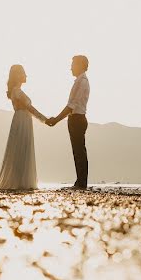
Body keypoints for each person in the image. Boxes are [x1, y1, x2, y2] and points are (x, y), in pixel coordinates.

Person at [0, 64, 49, 190]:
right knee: (21, 148)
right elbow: (29, 108)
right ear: (17, 75)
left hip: (23, 119)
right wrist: (45, 120)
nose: (26, 75)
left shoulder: (16, 91)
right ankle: (20, 182)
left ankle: (20, 181)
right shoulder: (17, 91)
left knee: (22, 149)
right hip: (22, 120)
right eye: (23, 73)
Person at [46, 55, 91, 189]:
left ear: (80, 65)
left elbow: (71, 105)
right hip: (77, 118)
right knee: (78, 151)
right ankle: (80, 181)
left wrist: (56, 120)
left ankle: (81, 183)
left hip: (77, 119)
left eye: (73, 64)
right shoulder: (81, 80)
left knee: (79, 151)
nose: (70, 67)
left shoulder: (81, 81)